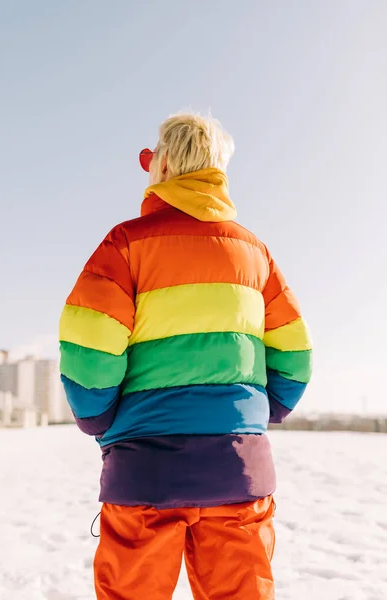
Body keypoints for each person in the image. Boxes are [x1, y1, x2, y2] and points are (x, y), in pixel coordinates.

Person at [59, 112, 312, 600]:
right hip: (238, 472)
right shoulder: (255, 255)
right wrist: (256, 414)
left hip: (144, 469)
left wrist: (99, 420)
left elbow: (90, 346)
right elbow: (294, 352)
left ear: (165, 163)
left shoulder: (126, 244)